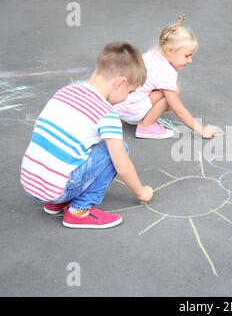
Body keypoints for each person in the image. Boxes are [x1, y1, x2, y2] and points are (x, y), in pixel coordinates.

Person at [20, 42, 154, 229]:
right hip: (57, 187)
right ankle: (79, 211)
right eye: (130, 92)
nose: (128, 97)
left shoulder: (66, 91)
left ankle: (56, 203)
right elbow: (122, 165)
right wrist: (141, 192)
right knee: (117, 149)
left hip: (31, 182)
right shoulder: (106, 114)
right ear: (120, 83)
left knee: (79, 144)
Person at [114, 14, 217, 139]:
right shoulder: (166, 73)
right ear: (169, 51)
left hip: (118, 105)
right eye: (187, 55)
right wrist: (201, 130)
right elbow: (177, 108)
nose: (190, 60)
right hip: (132, 110)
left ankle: (137, 117)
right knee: (171, 93)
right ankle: (146, 126)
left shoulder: (152, 54)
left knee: (168, 88)